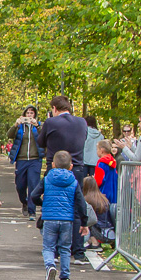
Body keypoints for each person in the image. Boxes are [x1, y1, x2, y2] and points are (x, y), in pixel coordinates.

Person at [36, 95, 90, 264]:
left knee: (54, 204)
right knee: (75, 205)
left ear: (54, 108)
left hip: (55, 168)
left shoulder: (51, 122)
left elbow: (40, 141)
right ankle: (78, 251)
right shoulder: (82, 122)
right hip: (76, 168)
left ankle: (56, 250)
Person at [32, 151, 89, 280]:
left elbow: (34, 195)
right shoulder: (74, 182)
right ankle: (65, 279)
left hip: (49, 218)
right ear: (71, 166)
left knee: (48, 247)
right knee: (65, 249)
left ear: (52, 164)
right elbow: (81, 203)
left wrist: (41, 203)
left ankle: (50, 266)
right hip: (67, 219)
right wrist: (84, 222)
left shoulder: (47, 179)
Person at [7, 105, 42, 218]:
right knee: (20, 185)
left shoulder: (39, 126)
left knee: (33, 185)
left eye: (32, 113)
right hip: (21, 160)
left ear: (35, 115)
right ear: (24, 115)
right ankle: (24, 202)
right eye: (27, 113)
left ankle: (32, 211)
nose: (29, 115)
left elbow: (44, 137)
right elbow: (9, 135)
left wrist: (37, 126)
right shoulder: (20, 127)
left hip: (35, 159)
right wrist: (15, 125)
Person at [81, 176, 111, 249]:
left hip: (99, 230)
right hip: (107, 229)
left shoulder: (87, 200)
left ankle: (95, 242)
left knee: (87, 220)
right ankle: (93, 241)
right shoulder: (103, 198)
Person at [94, 140, 118, 204]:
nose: (97, 151)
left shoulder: (101, 164)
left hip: (103, 194)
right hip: (113, 193)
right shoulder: (113, 162)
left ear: (101, 150)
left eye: (97, 149)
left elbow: (98, 181)